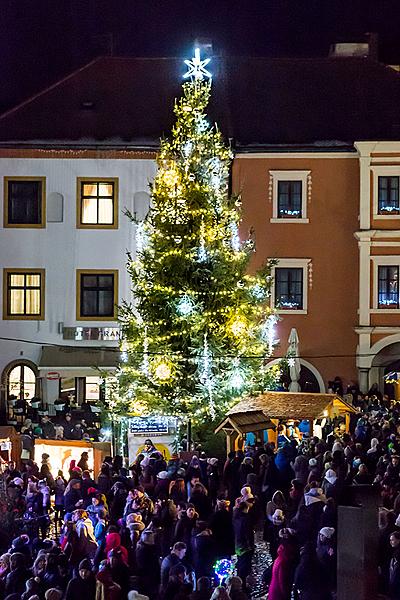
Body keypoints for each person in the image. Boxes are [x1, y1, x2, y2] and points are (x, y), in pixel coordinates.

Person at [233, 501, 254, 585]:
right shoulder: (245, 519)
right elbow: (247, 534)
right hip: (245, 546)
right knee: (244, 566)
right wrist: (250, 546)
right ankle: (242, 583)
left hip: (238, 545)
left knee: (240, 563)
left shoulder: (236, 517)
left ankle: (239, 581)